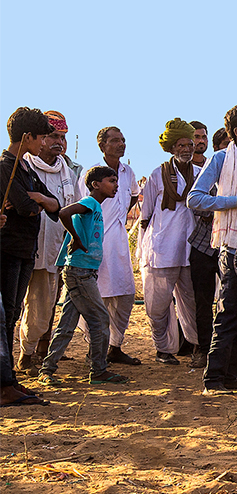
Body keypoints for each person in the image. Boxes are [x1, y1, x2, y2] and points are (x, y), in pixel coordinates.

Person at [187, 102, 237, 395]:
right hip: (232, 247)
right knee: (228, 312)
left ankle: (231, 377)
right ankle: (213, 379)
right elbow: (194, 199)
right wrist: (233, 200)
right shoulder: (220, 160)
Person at [38, 165, 129, 386]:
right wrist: (76, 239)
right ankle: (98, 370)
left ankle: (47, 369)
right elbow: (63, 212)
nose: (116, 185)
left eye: (116, 181)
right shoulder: (90, 203)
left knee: (67, 323)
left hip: (82, 271)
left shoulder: (96, 207)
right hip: (80, 273)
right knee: (99, 319)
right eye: (111, 180)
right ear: (95, 185)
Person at [17, 111, 83, 374]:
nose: (59, 142)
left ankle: (32, 352)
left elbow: (71, 209)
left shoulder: (68, 171)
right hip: (23, 245)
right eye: (53, 136)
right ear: (40, 138)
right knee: (17, 305)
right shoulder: (23, 165)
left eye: (63, 137)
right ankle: (20, 355)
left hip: (56, 247)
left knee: (43, 306)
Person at [1, 108, 59, 407]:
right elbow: (25, 206)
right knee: (7, 317)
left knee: (10, 316)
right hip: (7, 252)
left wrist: (40, 200)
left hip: (25, 251)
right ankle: (5, 383)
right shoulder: (4, 167)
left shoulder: (25, 169)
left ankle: (8, 378)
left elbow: (54, 204)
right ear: (28, 137)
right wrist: (37, 201)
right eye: (41, 138)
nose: (42, 144)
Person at [138, 119, 199, 365]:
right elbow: (145, 215)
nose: (186, 149)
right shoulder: (157, 174)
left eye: (189, 144)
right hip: (161, 249)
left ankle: (197, 346)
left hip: (190, 249)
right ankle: (163, 348)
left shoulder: (201, 174)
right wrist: (143, 250)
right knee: (157, 304)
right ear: (172, 148)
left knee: (192, 302)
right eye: (181, 145)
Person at [82, 126, 142, 366]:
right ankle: (94, 348)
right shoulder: (92, 173)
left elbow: (135, 195)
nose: (121, 144)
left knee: (126, 295)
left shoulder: (128, 171)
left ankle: (114, 346)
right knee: (98, 298)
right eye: (115, 140)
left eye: (123, 140)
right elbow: (82, 206)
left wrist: (121, 213)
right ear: (102, 146)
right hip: (96, 241)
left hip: (119, 241)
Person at [187, 121, 217, 369]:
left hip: (230, 242)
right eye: (196, 137)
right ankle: (202, 348)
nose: (200, 141)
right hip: (202, 242)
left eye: (202, 137)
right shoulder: (200, 169)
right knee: (202, 300)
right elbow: (196, 201)